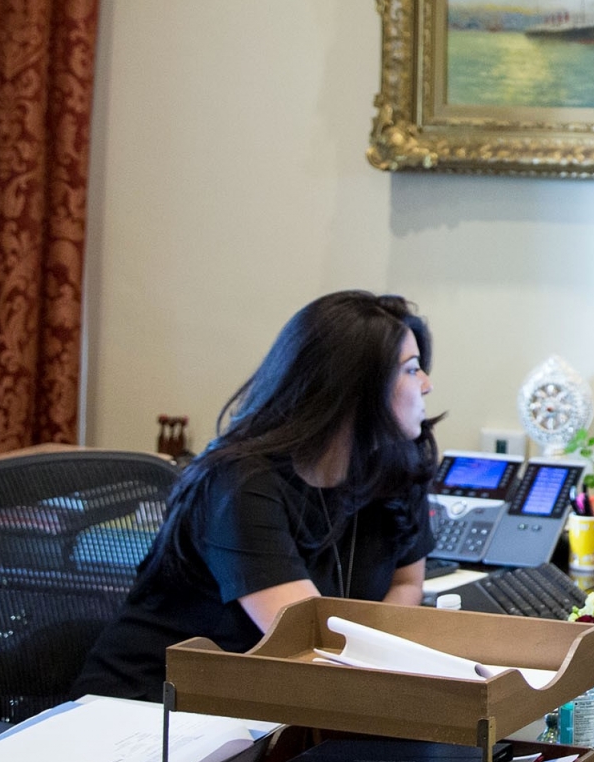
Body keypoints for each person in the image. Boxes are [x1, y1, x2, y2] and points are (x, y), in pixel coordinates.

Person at [75, 291, 440, 701]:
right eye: (411, 370)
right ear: (354, 389)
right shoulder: (241, 483)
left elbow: (408, 581)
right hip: (154, 711)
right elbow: (309, 642)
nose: (426, 385)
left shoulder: (394, 466)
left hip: (276, 706)